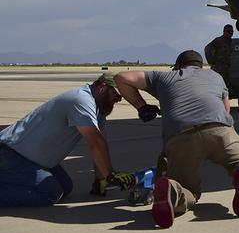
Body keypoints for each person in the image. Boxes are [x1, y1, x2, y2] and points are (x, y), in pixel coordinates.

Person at [115, 50, 239, 228]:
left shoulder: (164, 77)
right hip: (221, 131)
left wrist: (142, 106)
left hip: (181, 137)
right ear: (200, 66)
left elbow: (121, 77)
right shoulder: (215, 76)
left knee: (187, 188)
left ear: (177, 66)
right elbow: (226, 109)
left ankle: (173, 192)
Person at [0, 73, 137, 207]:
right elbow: (95, 142)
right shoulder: (80, 100)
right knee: (50, 193)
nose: (120, 99)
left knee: (66, 187)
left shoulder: (98, 110)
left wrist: (100, 180)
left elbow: (100, 142)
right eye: (118, 94)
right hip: (11, 155)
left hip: (35, 161)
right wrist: (110, 175)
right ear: (102, 87)